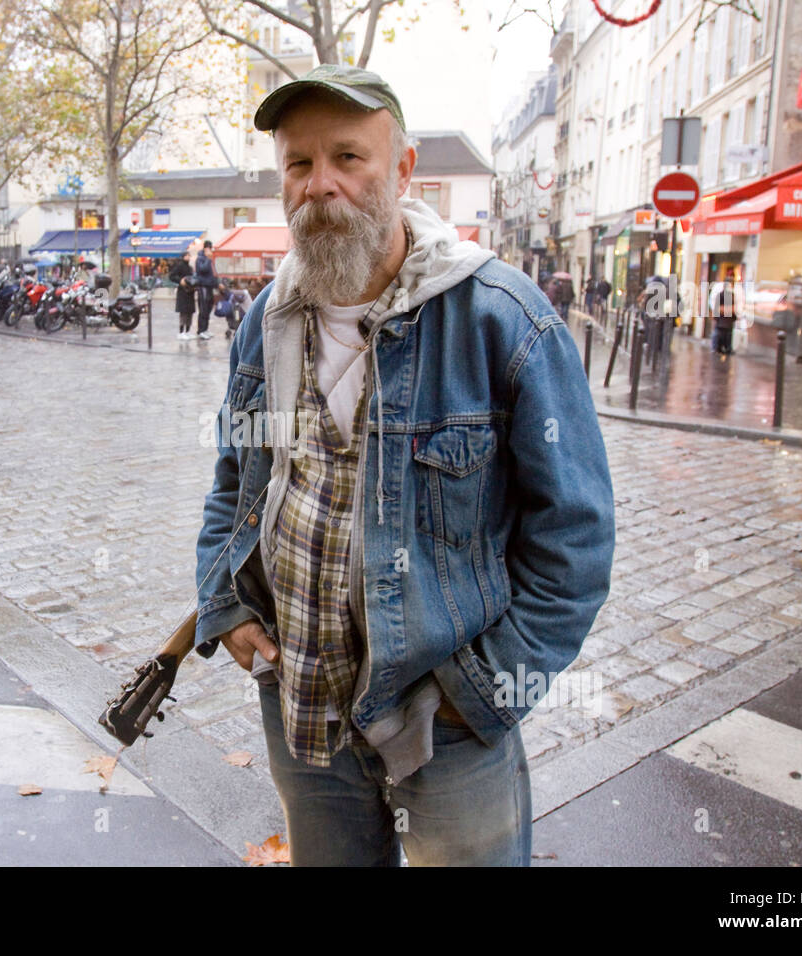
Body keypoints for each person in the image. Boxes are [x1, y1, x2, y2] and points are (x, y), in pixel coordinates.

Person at [194, 64, 615, 867]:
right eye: (299, 163)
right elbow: (233, 480)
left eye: (348, 157)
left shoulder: (503, 319)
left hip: (447, 722)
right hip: (304, 707)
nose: (321, 185)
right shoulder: (267, 319)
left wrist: (489, 689)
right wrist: (225, 604)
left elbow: (577, 535)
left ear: (403, 170)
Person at [194, 239, 219, 339]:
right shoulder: (200, 258)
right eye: (209, 248)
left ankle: (206, 329)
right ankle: (201, 330)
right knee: (203, 309)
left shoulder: (210, 259)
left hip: (210, 287)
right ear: (206, 248)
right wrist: (208, 259)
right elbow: (202, 270)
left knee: (208, 308)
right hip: (203, 286)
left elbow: (213, 273)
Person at [709, 268, 737, 356]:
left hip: (727, 320)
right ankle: (716, 347)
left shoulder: (732, 295)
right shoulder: (721, 294)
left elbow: (734, 308)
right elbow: (718, 307)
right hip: (721, 320)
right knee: (718, 334)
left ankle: (726, 348)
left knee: (727, 335)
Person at [168, 251, 196, 339]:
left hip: (190, 291)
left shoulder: (190, 267)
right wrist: (180, 281)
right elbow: (171, 276)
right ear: (183, 257)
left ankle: (187, 331)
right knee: (183, 312)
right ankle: (181, 332)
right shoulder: (179, 266)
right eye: (187, 255)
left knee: (190, 312)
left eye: (189, 255)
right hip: (183, 292)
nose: (188, 257)